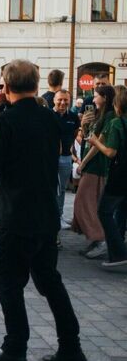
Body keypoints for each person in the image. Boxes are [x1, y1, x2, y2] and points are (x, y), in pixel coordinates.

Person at [0, 59, 87, 361]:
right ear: (37, 86)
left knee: (8, 283)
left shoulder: (6, 120)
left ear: (8, 87)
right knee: (50, 280)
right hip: (46, 212)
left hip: (16, 214)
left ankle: (15, 347)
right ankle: (71, 345)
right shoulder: (50, 119)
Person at [73, 85, 116, 259]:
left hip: (96, 166)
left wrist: (83, 162)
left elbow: (97, 145)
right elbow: (88, 137)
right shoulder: (99, 114)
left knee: (84, 203)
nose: (93, 98)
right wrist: (84, 124)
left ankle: (100, 238)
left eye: (96, 95)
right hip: (91, 165)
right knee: (88, 203)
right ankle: (96, 238)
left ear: (105, 97)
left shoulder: (109, 116)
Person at [87, 86, 127, 267]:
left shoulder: (117, 123)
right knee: (121, 211)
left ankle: (118, 253)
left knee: (104, 211)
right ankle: (118, 250)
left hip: (119, 175)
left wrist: (95, 142)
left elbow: (110, 152)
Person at [54, 90, 79, 230]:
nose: (63, 103)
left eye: (66, 100)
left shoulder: (74, 117)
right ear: (54, 100)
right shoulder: (48, 115)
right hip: (50, 158)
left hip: (66, 157)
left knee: (62, 189)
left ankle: (60, 216)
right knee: (51, 188)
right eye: (60, 100)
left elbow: (75, 134)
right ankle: (50, 216)